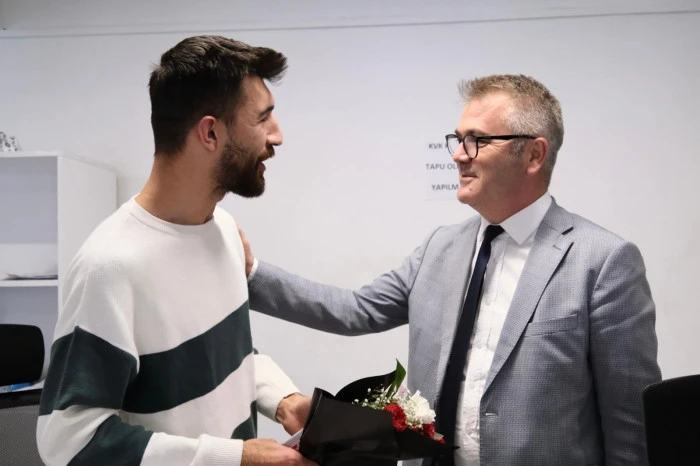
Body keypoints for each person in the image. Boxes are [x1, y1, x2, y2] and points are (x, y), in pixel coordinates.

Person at [243, 74, 661, 465]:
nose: (459, 155)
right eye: (458, 140)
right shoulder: (439, 248)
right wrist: (250, 273)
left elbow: (631, 427)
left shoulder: (602, 262)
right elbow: (354, 310)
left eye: (477, 140)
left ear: (534, 154)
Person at [37, 35, 315, 466]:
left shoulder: (224, 231)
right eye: (263, 118)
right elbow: (68, 441)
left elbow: (225, 359)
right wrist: (236, 457)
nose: (277, 135)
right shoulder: (110, 267)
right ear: (210, 132)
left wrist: (283, 399)